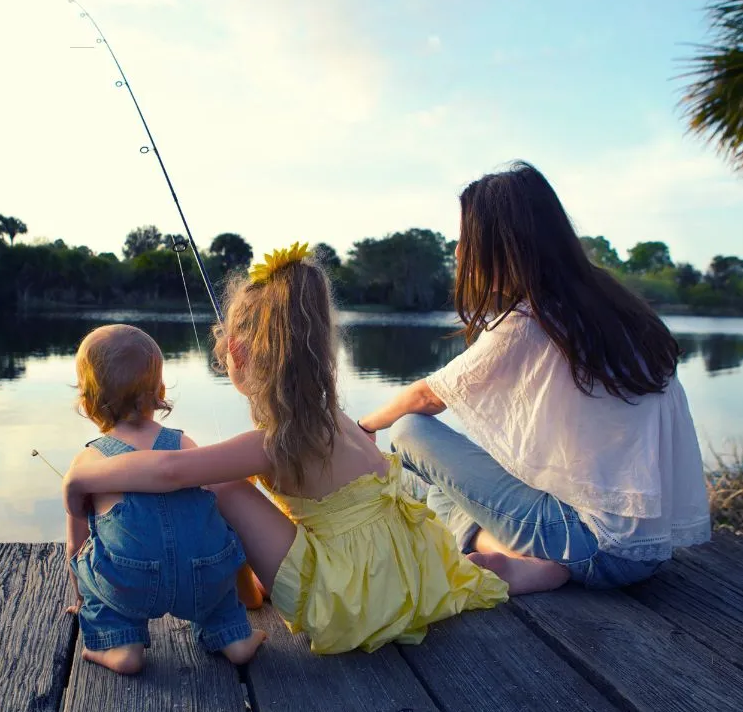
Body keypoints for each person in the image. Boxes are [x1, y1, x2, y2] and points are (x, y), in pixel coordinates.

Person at [63, 244, 562, 657]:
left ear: (235, 354)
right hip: (412, 569)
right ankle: (552, 567)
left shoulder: (274, 442)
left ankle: (242, 595)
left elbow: (173, 469)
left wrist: (85, 479)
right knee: (476, 570)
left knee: (222, 485)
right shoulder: (336, 419)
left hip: (347, 599)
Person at [358, 162, 711, 590]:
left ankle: (514, 553)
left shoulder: (532, 319)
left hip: (590, 546)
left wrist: (361, 426)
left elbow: (427, 399)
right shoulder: (615, 308)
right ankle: (520, 557)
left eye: (466, 239)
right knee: (442, 487)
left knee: (410, 432)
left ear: (500, 246)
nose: (457, 252)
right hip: (649, 553)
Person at [64, 324, 266, 675]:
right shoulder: (183, 444)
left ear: (87, 399)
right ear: (158, 390)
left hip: (131, 584)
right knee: (212, 573)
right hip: (204, 575)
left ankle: (120, 647)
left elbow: (75, 545)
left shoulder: (89, 461)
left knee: (89, 559)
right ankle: (234, 638)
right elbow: (213, 501)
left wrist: (83, 597)